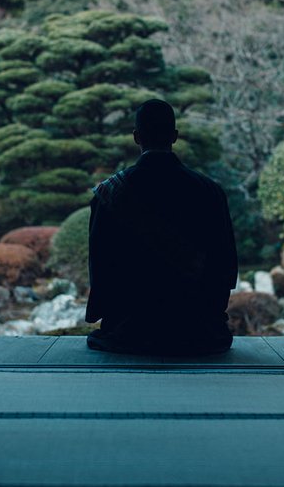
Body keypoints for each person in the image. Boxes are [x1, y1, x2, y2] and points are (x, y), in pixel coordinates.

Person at [85, 99, 237, 356]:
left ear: (136, 137)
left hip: (130, 328)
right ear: (175, 136)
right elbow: (225, 265)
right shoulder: (209, 191)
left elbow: (101, 265)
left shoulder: (110, 192)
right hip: (196, 328)